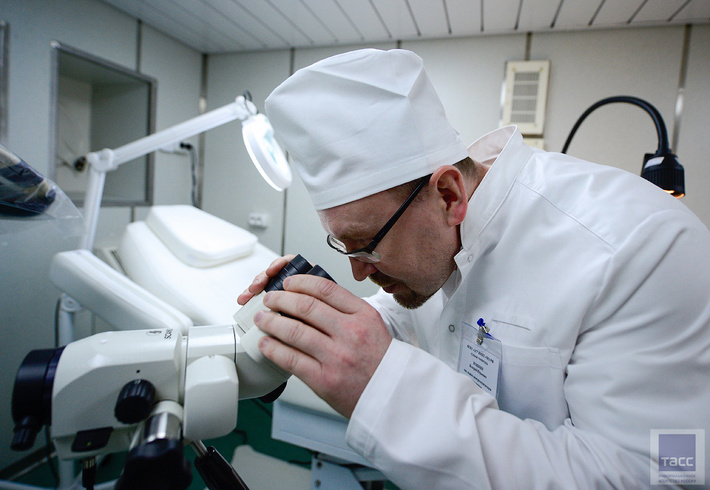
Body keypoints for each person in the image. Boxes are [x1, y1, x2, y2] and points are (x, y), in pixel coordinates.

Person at [238, 49, 710, 489]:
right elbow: (400, 316)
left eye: (369, 246)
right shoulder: (433, 249)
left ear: (448, 195)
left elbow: (655, 476)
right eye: (345, 247)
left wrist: (389, 393)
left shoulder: (639, 247)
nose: (359, 273)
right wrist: (314, 320)